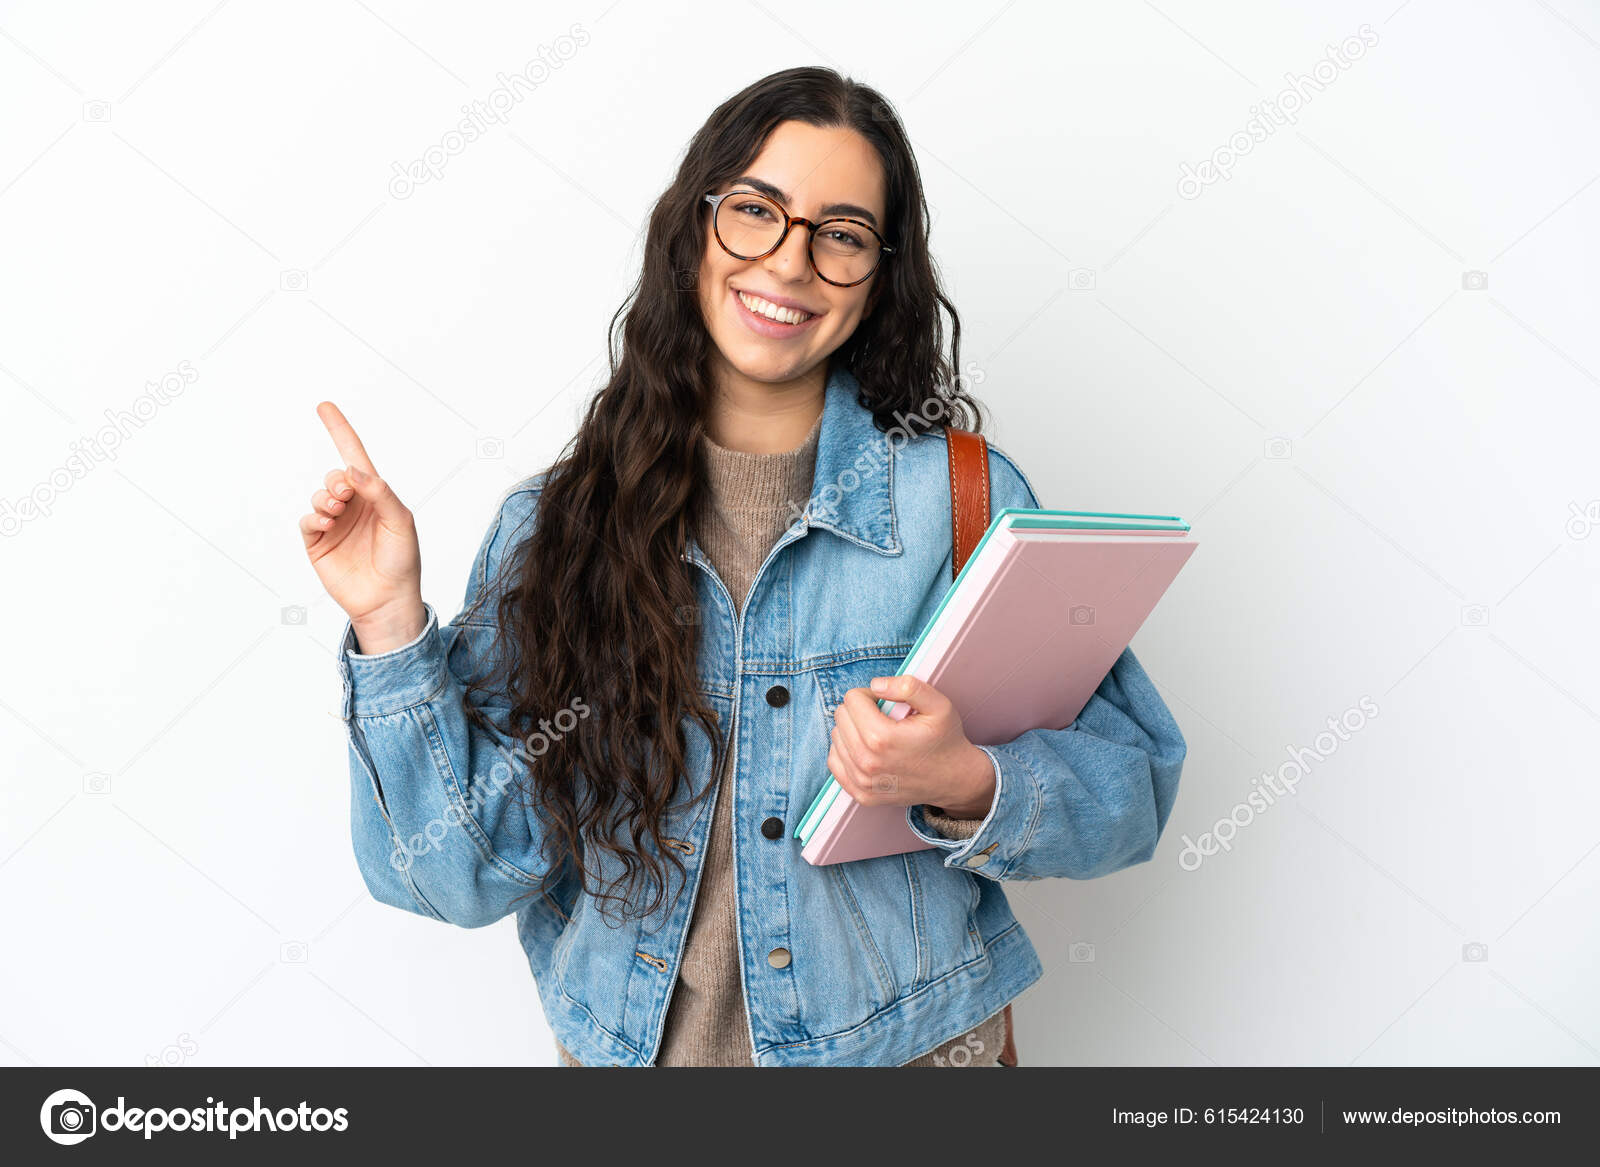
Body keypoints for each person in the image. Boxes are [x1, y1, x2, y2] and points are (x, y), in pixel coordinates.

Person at [298, 66, 1186, 1067]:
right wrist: (387, 623)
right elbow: (454, 874)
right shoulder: (554, 530)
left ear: (879, 274)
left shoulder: (961, 502)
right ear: (696, 227)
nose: (791, 262)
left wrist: (968, 779)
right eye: (757, 211)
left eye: (840, 234)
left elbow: (1132, 788)